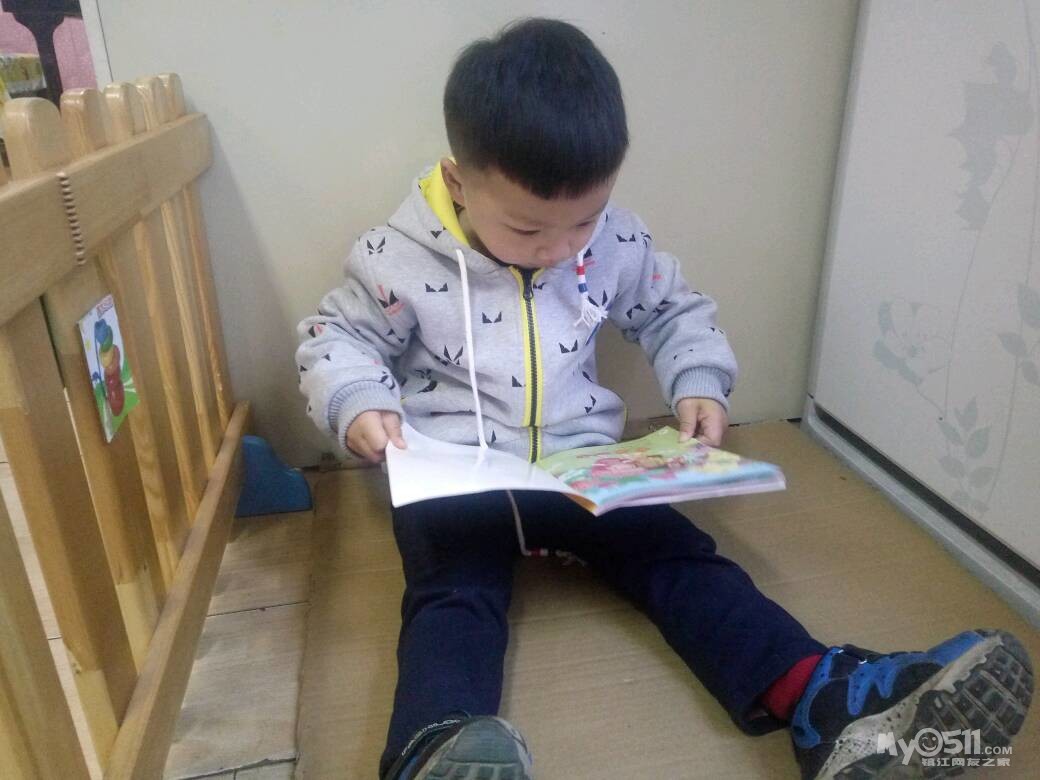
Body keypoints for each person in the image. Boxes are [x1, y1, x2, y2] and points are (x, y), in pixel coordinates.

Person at [296, 18, 1033, 780]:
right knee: (452, 595)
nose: (561, 248)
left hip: (579, 467)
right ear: (458, 184)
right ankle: (437, 749)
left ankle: (822, 697)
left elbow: (674, 310)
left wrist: (699, 380)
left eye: (583, 220)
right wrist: (357, 401)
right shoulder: (397, 256)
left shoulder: (612, 240)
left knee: (677, 554)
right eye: (528, 228)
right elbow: (334, 337)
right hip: (455, 478)